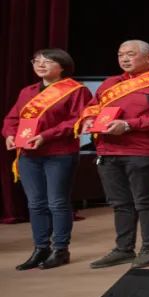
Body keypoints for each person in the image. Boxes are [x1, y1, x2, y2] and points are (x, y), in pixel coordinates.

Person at [80, 40, 149, 269]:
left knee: (145, 202)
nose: (124, 59)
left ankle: (148, 249)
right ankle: (123, 249)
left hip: (142, 151)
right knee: (119, 203)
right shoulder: (111, 82)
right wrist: (88, 119)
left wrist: (128, 125)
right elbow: (93, 106)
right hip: (108, 150)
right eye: (120, 55)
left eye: (130, 54)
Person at [3, 48, 92, 270]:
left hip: (59, 154)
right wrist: (10, 135)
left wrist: (45, 136)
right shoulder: (28, 91)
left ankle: (60, 249)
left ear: (62, 66)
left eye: (48, 61)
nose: (40, 65)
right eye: (36, 61)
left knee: (57, 202)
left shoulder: (76, 90)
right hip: (28, 155)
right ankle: (40, 248)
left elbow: (77, 120)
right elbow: (12, 118)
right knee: (35, 204)